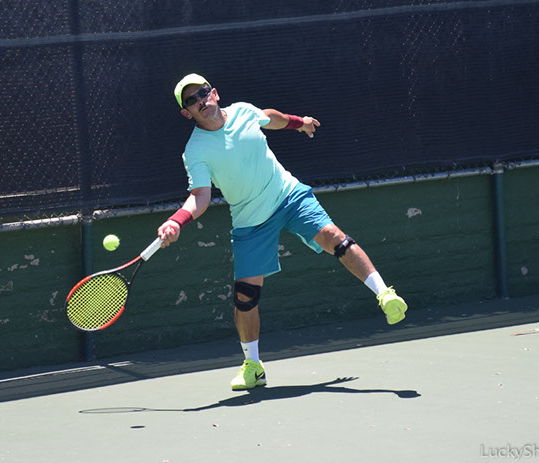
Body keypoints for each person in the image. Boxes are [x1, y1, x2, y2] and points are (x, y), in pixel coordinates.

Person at [158, 73, 408, 391]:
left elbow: (270, 118)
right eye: (191, 100)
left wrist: (299, 123)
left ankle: (385, 295)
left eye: (203, 93)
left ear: (215, 93)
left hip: (288, 196)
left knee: (335, 238)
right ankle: (253, 367)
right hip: (250, 220)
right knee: (245, 298)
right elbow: (200, 196)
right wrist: (177, 220)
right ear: (187, 113)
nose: (200, 101)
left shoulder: (245, 112)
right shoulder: (195, 151)